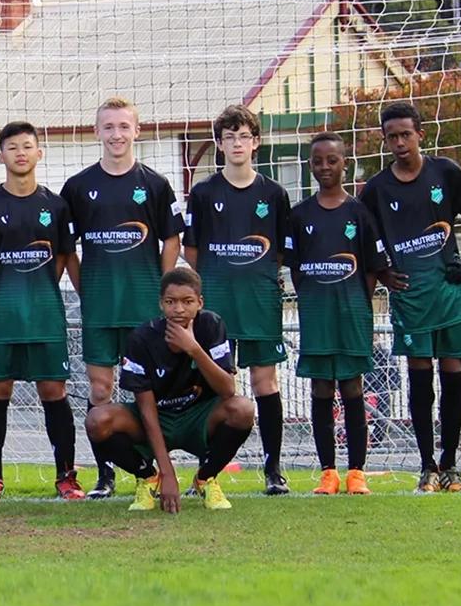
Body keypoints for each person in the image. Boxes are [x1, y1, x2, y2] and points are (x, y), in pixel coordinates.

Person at [359, 101, 461, 493]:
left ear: (420, 133)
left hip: (449, 292)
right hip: (410, 298)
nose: (400, 142)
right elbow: (363, 239)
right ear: (385, 140)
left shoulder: (446, 172)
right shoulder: (375, 189)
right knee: (420, 382)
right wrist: (384, 272)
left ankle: (452, 465)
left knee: (452, 376)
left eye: (406, 134)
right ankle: (427, 467)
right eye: (392, 137)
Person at [60, 97, 184, 498]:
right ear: (96, 132)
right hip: (100, 308)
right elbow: (67, 248)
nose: (116, 134)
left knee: (147, 391)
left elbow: (171, 239)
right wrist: (86, 290)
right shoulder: (78, 187)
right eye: (108, 127)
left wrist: (162, 291)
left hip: (143, 308)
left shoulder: (155, 184)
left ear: (137, 130)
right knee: (100, 392)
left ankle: (150, 469)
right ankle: (106, 473)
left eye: (123, 126)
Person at [0, 121, 82, 500]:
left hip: (46, 312)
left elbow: (65, 257)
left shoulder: (57, 205)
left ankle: (66, 476)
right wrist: (6, 292)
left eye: (28, 146)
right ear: (1, 156)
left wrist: (38, 289)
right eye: (13, 147)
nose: (21, 153)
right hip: (2, 315)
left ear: (39, 153)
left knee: (54, 389)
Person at [184, 104, 292, 495]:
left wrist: (260, 276)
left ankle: (273, 468)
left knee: (265, 382)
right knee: (213, 384)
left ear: (256, 143)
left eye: (243, 136)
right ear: (219, 144)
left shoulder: (274, 194)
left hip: (260, 300)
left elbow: (281, 250)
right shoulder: (203, 192)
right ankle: (206, 470)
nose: (236, 144)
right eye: (229, 137)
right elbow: (191, 250)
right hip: (216, 304)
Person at [86, 269, 254, 513]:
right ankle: (148, 477)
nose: (179, 309)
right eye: (170, 302)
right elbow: (146, 408)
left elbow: (228, 390)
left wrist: (194, 349)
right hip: (157, 417)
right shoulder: (142, 337)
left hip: (199, 417)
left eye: (187, 302)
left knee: (243, 409)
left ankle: (205, 478)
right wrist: (166, 473)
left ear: (200, 303)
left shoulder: (212, 325)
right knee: (97, 420)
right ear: (161, 304)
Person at [285, 133, 388, 495]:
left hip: (352, 311)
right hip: (317, 312)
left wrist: (358, 298)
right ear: (310, 165)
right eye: (317, 161)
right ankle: (328, 471)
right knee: (321, 387)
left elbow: (373, 266)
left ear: (346, 163)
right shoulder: (299, 215)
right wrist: (312, 294)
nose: (324, 167)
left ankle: (356, 471)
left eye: (332, 160)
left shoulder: (360, 213)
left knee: (352, 386)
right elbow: (293, 266)